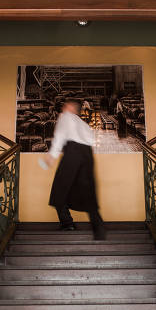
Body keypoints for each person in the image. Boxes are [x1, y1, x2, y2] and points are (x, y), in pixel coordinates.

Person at [44, 99, 107, 240]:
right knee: (88, 190)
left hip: (73, 152)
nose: (64, 107)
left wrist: (52, 156)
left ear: (71, 107)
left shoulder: (65, 116)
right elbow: (91, 139)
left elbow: (60, 136)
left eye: (66, 105)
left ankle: (67, 224)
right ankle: (98, 227)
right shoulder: (82, 123)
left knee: (59, 189)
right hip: (87, 155)